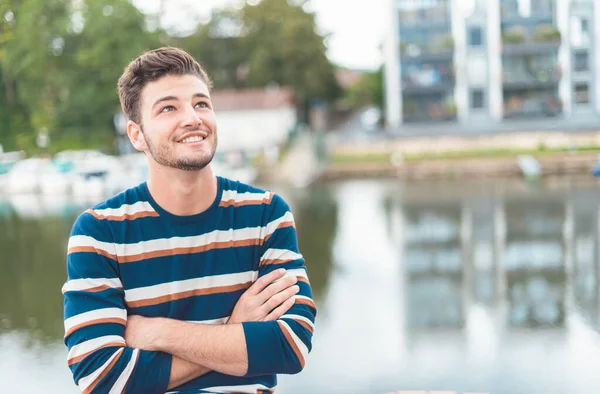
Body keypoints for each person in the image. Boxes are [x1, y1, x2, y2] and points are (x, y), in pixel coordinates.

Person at [62, 47, 316, 394]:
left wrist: (156, 333)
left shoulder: (265, 214)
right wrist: (236, 330)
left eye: (201, 104)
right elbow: (101, 376)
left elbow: (291, 345)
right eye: (168, 108)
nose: (193, 118)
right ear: (136, 134)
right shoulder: (100, 233)